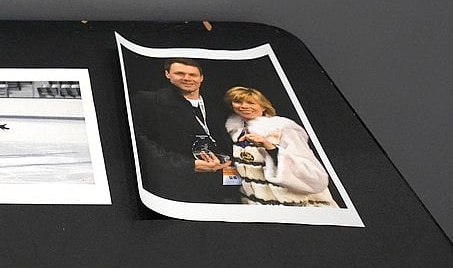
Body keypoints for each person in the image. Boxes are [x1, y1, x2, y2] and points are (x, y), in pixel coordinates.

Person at [129, 59, 238, 203]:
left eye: (192, 74)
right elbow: (140, 142)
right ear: (167, 74)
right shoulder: (148, 100)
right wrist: (188, 166)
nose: (187, 78)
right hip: (180, 186)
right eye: (180, 73)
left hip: (224, 181)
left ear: (201, 78)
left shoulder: (217, 104)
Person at [223, 86, 338, 208]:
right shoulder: (234, 131)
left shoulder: (282, 128)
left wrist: (270, 147)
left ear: (263, 107)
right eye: (238, 102)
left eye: (251, 103)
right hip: (256, 202)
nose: (244, 106)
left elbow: (309, 170)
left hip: (290, 201)